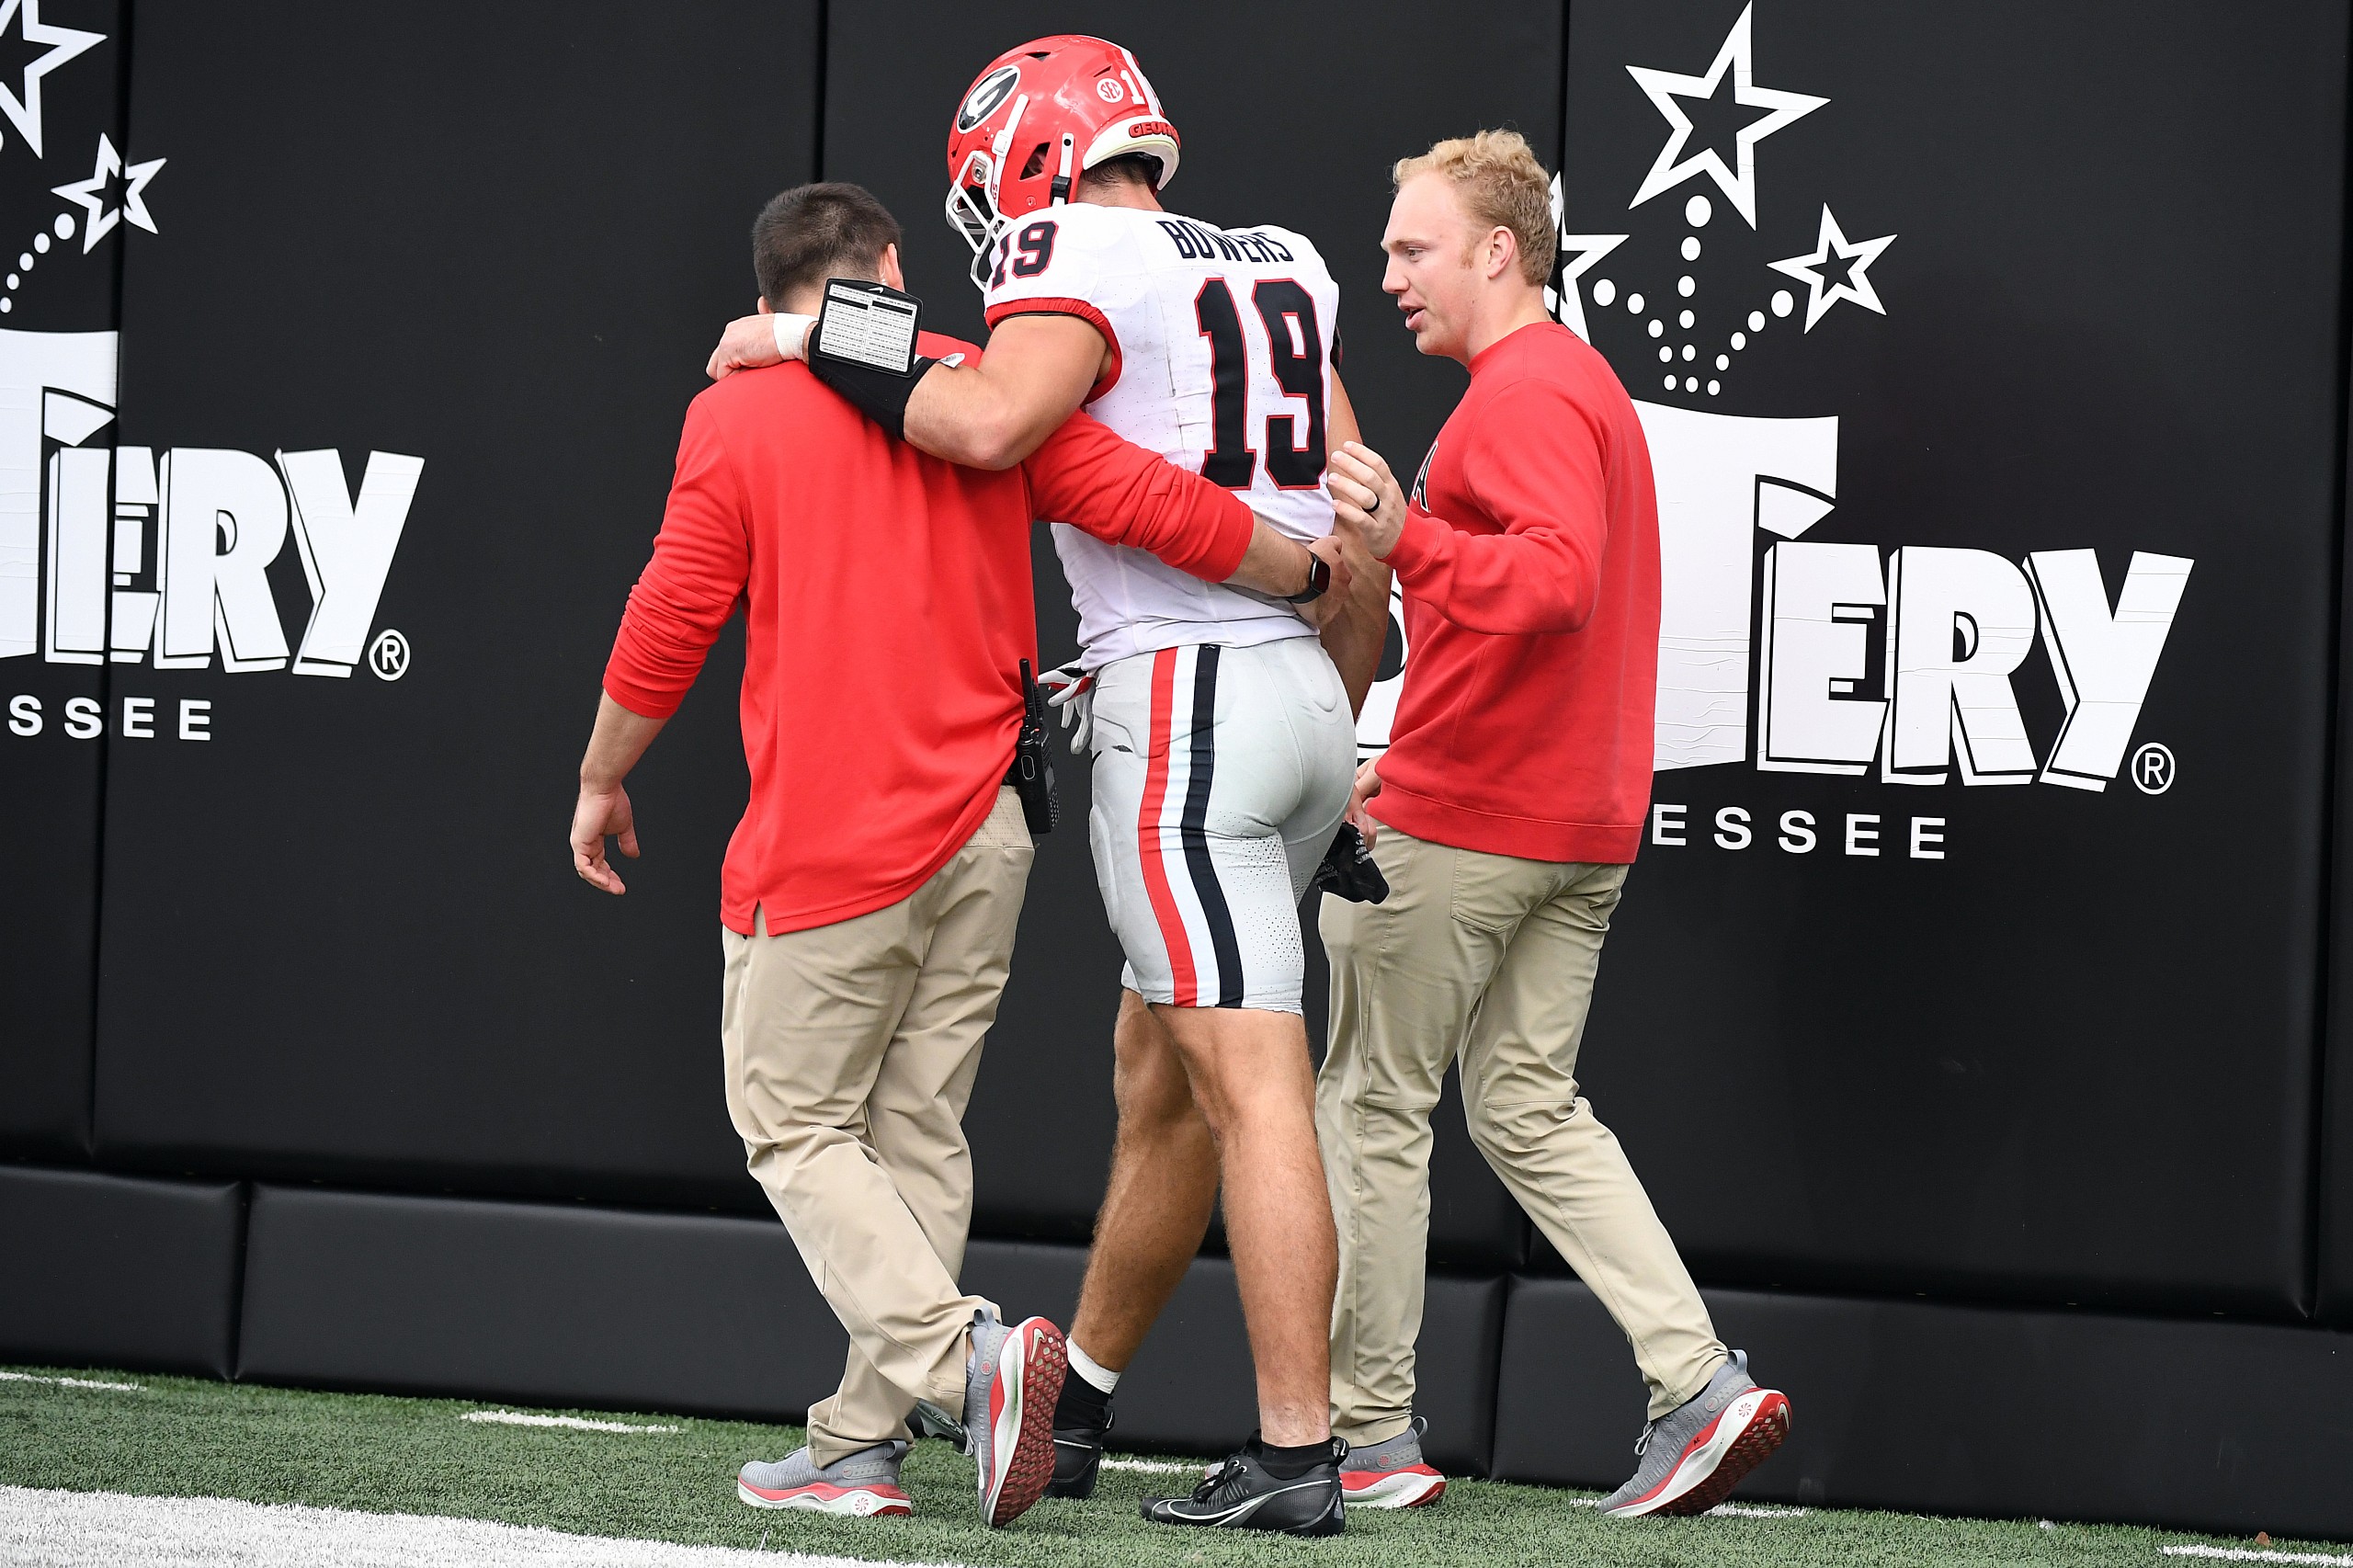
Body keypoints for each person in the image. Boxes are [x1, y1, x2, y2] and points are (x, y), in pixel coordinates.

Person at [573, 181, 1344, 1530]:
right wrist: (1303, 570)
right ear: (885, 269)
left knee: (796, 1123)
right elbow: (1150, 500)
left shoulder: (740, 407)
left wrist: (602, 773)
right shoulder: (980, 388)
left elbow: (673, 609)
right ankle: (861, 1442)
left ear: (766, 299)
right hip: (988, 829)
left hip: (830, 831)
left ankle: (966, 1362)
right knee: (916, 1129)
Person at [1317, 131, 1794, 1518]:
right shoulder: (1572, 383)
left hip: (1470, 822)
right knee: (1527, 1106)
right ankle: (1697, 1379)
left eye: (1414, 249)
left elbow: (1553, 587)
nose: (1390, 273)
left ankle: (1369, 1438)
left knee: (1371, 1107)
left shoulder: (1523, 391)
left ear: (1497, 252)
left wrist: (1406, 536)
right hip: (1576, 825)